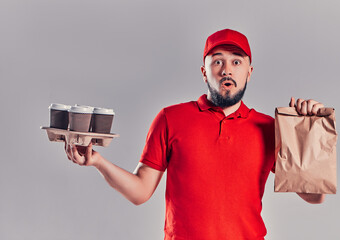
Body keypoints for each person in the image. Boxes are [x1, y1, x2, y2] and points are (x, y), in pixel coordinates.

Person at [65, 29, 326, 240]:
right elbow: (140, 191)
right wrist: (97, 161)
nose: (227, 69)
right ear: (204, 72)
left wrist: (309, 132)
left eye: (236, 61)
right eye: (217, 61)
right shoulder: (171, 118)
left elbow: (315, 196)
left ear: (249, 71)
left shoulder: (270, 128)